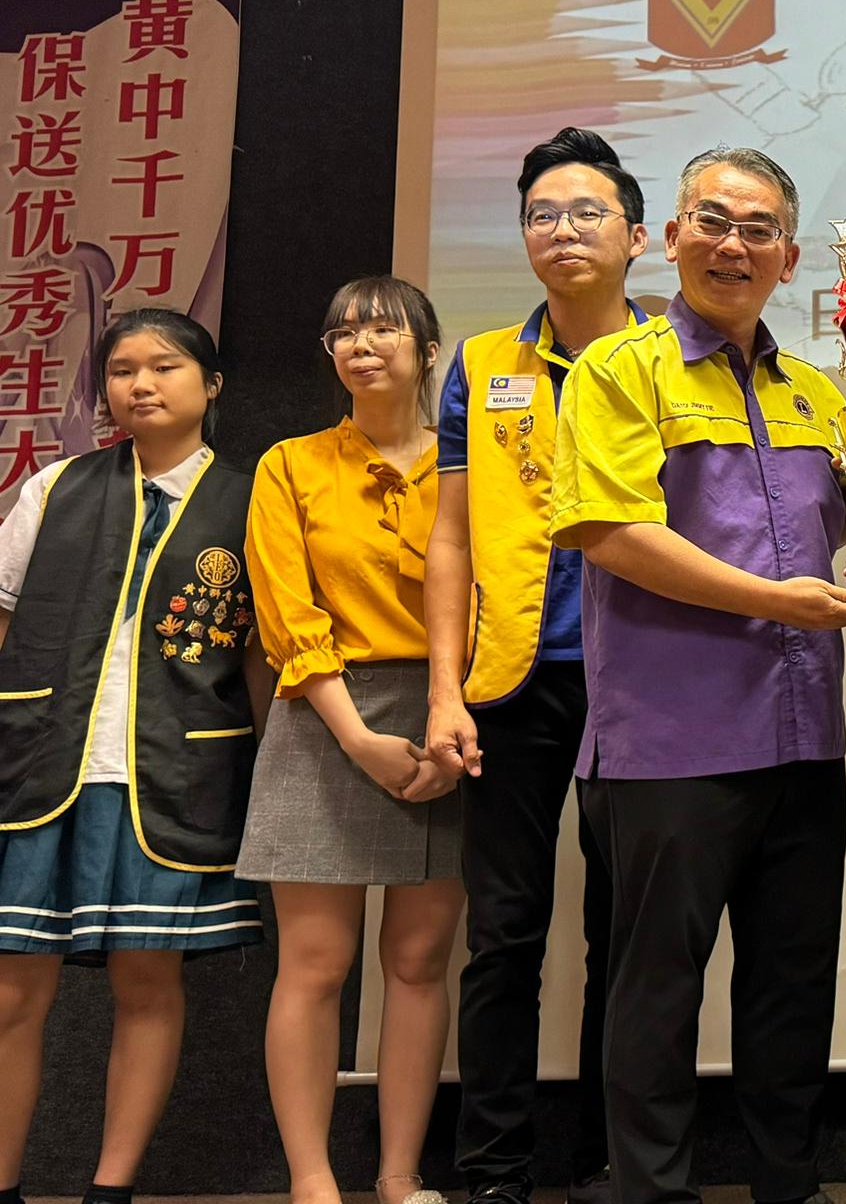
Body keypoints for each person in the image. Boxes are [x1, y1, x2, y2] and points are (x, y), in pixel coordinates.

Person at [551, 145, 846, 1204]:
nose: (736, 245)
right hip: (670, 738)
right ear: (674, 235)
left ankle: (791, 1186)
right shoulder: (618, 370)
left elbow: (842, 548)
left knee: (793, 985)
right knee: (656, 991)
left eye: (760, 229)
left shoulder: (819, 391)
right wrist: (778, 600)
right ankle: (651, 1192)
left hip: (804, 734)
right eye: (715, 221)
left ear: (790, 257)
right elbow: (612, 533)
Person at [423, 127, 651, 1204]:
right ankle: (493, 1171)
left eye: (587, 212)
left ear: (636, 237)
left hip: (644, 680)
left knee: (627, 934)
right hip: (512, 680)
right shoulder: (481, 365)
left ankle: (615, 1163)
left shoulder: (677, 355)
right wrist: (444, 691)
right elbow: (450, 537)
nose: (563, 230)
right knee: (504, 935)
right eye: (542, 214)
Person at [0, 310, 265, 1204]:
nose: (140, 384)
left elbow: (264, 656)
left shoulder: (252, 500)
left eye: (164, 366)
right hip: (42, 766)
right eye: (121, 370)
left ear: (211, 385)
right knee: (11, 990)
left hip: (171, 773)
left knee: (148, 980)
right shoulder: (54, 487)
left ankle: (109, 1192)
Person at [239, 276, 465, 1204]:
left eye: (382, 329)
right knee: (314, 964)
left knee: (417, 962)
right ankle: (311, 1182)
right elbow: (286, 616)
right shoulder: (290, 463)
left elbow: (498, 592)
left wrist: (450, 713)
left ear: (428, 349)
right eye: (343, 333)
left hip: (449, 715)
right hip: (321, 712)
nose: (360, 344)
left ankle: (400, 1176)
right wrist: (361, 739)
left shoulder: (470, 464)